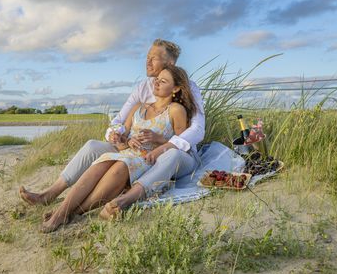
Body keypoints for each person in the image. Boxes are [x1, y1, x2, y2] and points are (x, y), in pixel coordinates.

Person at [19, 39, 205, 206]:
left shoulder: (188, 88)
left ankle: (124, 197)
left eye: (154, 58)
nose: (147, 61)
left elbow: (197, 129)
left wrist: (162, 145)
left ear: (170, 63)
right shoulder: (142, 88)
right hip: (134, 150)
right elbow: (119, 120)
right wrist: (117, 135)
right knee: (92, 146)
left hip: (169, 153)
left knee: (164, 157)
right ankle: (51, 193)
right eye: (147, 57)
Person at [40, 65, 198, 232]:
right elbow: (125, 135)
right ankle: (62, 211)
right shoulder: (139, 106)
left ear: (176, 88)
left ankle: (70, 213)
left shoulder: (176, 110)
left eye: (163, 81)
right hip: (129, 152)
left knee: (119, 168)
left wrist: (158, 139)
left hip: (150, 159)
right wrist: (124, 139)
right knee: (101, 164)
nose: (156, 83)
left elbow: (182, 145)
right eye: (157, 79)